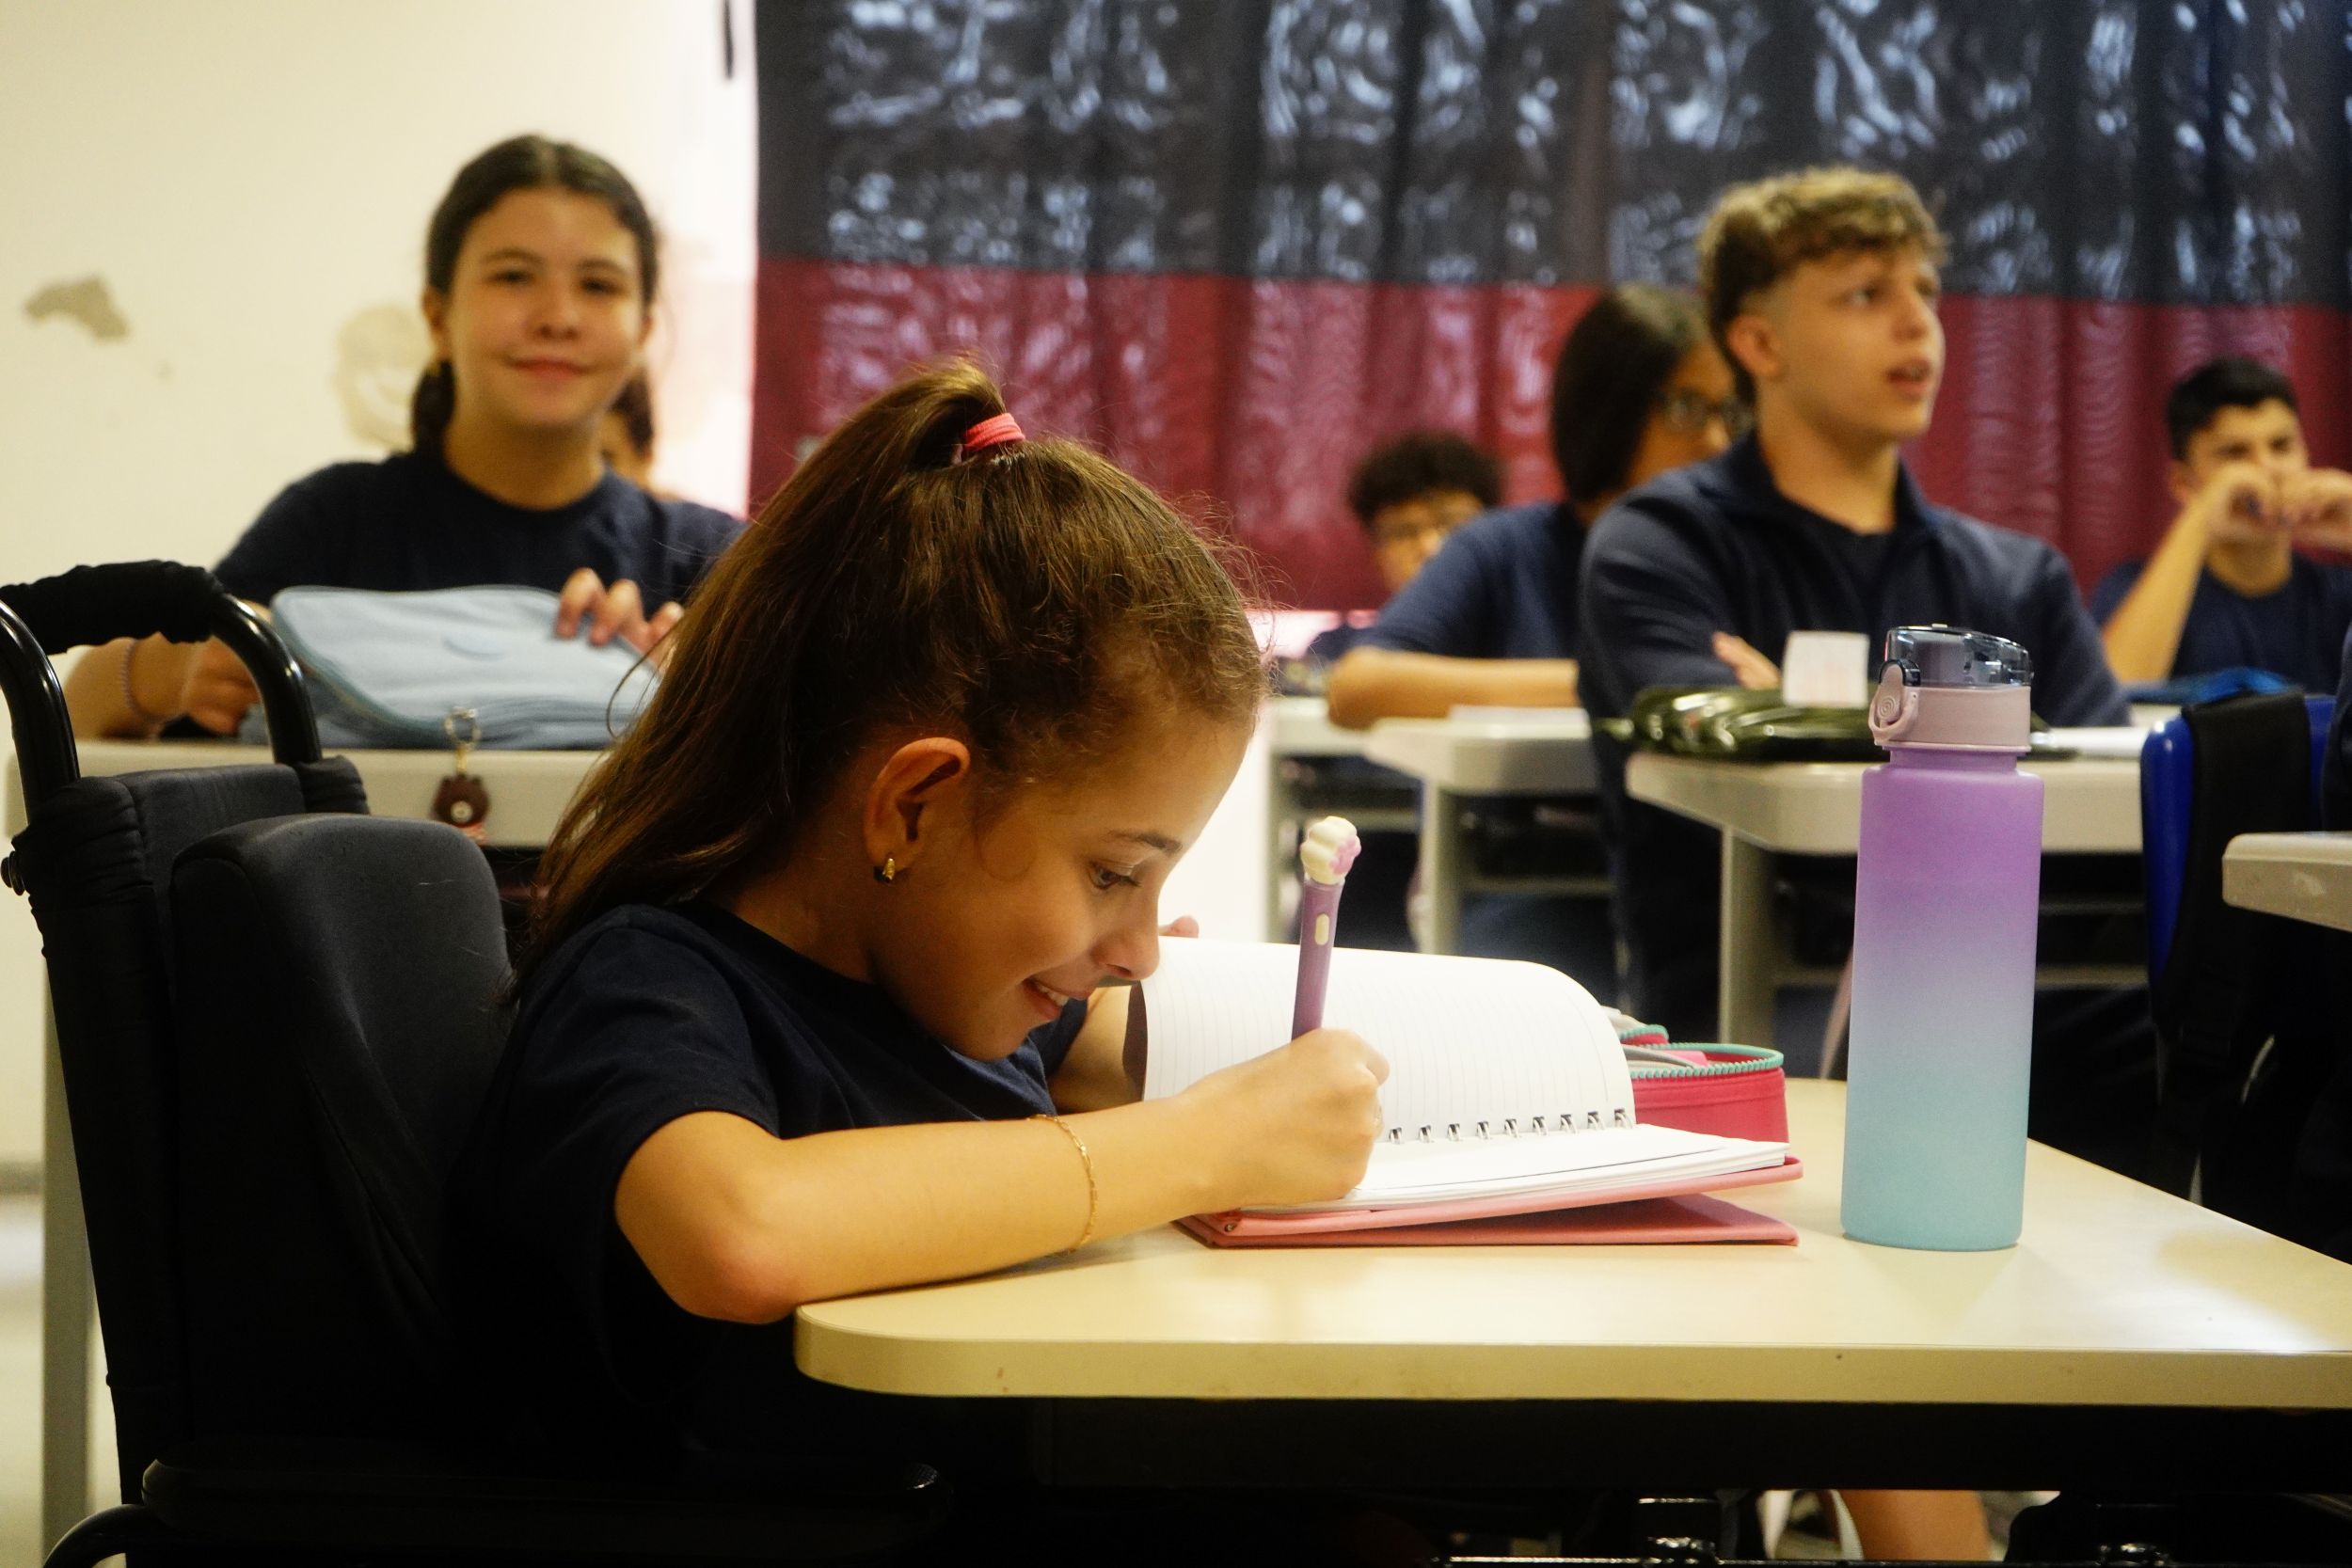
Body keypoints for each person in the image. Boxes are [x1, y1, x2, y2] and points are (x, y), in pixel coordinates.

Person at [448, 363, 1403, 1554]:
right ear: (912, 807)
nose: (1141, 945)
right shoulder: (649, 982)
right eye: (1115, 872)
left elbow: (1127, 1051)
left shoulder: (937, 982)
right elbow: (741, 1233)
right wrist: (1203, 1142)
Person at [1576, 169, 2137, 1561]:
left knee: (2196, 1054)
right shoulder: (1660, 541)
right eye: (1865, 295)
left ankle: (2130, 1485)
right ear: (1755, 342)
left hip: (2017, 990)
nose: (1919, 329)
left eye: (1929, 294)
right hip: (1750, 1004)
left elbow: (2100, 785)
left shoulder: (2010, 576)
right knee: (1861, 1128)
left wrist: (1807, 701)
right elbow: (1722, 735)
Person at [65, 135, 741, 739]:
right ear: (438, 315)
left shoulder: (712, 564)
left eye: (598, 285)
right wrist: (171, 670)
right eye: (513, 276)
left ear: (644, 330)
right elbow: (76, 722)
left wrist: (719, 702)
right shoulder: (334, 520)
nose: (558, 317)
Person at [1323, 283, 1740, 728]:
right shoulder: (1503, 550)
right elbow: (1356, 687)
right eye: (1687, 408)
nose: (1717, 442)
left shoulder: (1741, 553)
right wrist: (1623, 680)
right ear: (1610, 412)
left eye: (1729, 413)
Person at [2094, 356, 2352, 690]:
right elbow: (2109, 697)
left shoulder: (2338, 596)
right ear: (2183, 484)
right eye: (2234, 453)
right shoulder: (2132, 589)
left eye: (2281, 446)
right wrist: (2200, 520)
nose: (2266, 468)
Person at [1295, 431, 1501, 673]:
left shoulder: (1524, 648)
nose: (1430, 548)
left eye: (1454, 525)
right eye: (1403, 532)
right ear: (1379, 558)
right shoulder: (1334, 654)